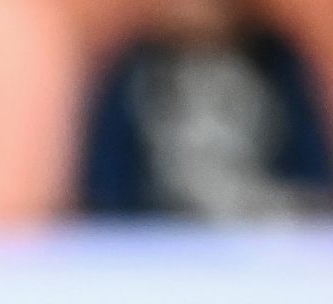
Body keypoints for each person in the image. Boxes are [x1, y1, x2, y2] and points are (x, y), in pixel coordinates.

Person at [79, 0, 331, 220]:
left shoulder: (275, 62)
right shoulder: (136, 67)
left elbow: (309, 164)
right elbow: (108, 174)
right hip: (158, 233)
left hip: (262, 230)